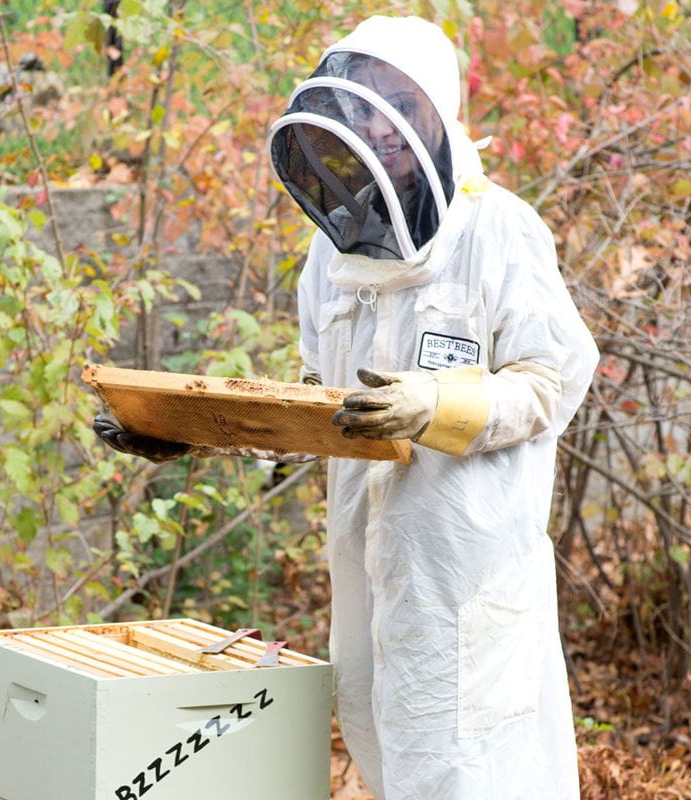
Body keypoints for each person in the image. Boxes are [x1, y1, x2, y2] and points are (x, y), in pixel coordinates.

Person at [95, 15, 599, 800]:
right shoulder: (332, 252)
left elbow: (552, 380)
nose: (378, 123)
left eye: (399, 103)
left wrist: (434, 405)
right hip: (365, 564)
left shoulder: (499, 230)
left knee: (471, 767)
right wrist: (189, 432)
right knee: (380, 743)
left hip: (465, 571)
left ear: (437, 113)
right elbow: (313, 405)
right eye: (364, 104)